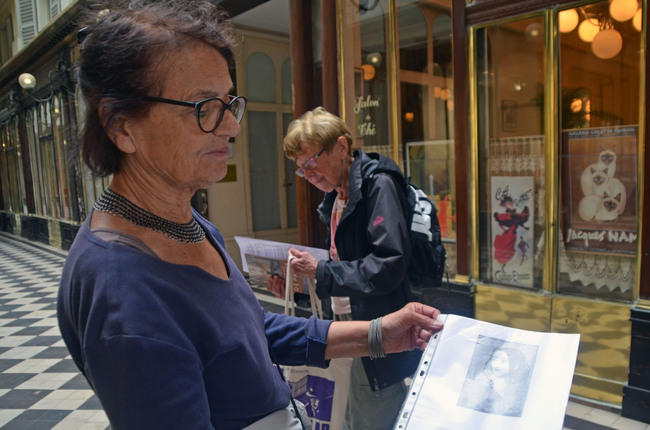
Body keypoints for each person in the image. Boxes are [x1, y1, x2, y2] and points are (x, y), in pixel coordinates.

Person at [56, 1, 444, 429]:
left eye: (228, 103)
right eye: (203, 106)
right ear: (122, 126)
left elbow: (251, 332)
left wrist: (376, 334)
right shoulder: (123, 294)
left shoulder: (184, 224)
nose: (232, 127)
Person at [282, 107, 420, 430]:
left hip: (378, 335)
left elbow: (389, 263)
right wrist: (303, 281)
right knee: (345, 416)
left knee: (368, 418)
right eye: (301, 170)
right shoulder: (336, 197)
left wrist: (322, 272)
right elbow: (345, 264)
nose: (309, 175)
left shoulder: (377, 184)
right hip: (348, 327)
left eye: (311, 163)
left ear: (342, 147)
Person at [458, 345, 531, 417]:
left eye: (503, 361)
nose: (496, 365)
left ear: (516, 366)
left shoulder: (517, 390)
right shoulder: (481, 382)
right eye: (494, 359)